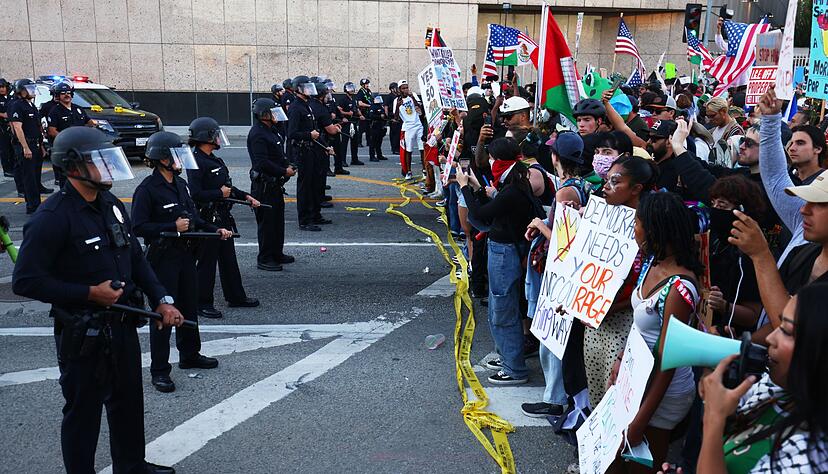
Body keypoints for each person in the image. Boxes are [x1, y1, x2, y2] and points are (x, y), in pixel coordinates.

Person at [12, 126, 181, 474]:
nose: (107, 168)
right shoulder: (52, 218)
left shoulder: (111, 204)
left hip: (121, 326)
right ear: (73, 167)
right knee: (83, 412)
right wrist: (89, 293)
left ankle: (131, 465)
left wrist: (162, 299)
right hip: (82, 334)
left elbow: (135, 257)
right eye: (98, 161)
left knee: (128, 401)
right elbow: (26, 281)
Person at [691, 283, 828, 473]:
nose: (771, 338)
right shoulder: (776, 388)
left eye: (787, 331)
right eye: (778, 325)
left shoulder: (810, 458)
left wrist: (713, 418)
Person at [132, 131, 229, 393]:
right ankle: (160, 370)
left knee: (189, 306)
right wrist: (170, 226)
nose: (180, 161)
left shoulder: (181, 184)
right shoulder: (147, 190)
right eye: (175, 156)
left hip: (186, 255)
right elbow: (138, 226)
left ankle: (189, 354)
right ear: (162, 159)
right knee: (164, 314)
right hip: (163, 259)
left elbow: (193, 217)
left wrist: (214, 229)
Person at [616, 191, 703, 471]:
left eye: (636, 224)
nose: (633, 230)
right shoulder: (653, 263)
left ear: (654, 230)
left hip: (662, 394)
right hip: (638, 382)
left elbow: (668, 362)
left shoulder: (679, 289)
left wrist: (639, 423)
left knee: (642, 465)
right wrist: (621, 363)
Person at [457, 138, 541, 385]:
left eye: (492, 158)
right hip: (506, 249)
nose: (489, 162)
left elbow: (480, 214)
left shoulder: (513, 190)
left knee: (502, 310)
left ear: (502, 161)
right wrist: (474, 186)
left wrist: (464, 188)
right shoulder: (513, 183)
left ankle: (514, 369)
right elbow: (493, 209)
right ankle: (507, 356)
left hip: (505, 253)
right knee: (501, 306)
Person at [580, 155, 656, 409]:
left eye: (616, 182)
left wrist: (607, 307)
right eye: (606, 180)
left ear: (636, 189)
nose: (606, 187)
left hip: (625, 325)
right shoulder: (600, 217)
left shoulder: (649, 228)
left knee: (616, 396)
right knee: (596, 389)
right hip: (594, 320)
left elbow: (644, 282)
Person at [187, 117, 260, 319]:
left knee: (228, 259)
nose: (219, 138)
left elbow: (226, 187)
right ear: (206, 137)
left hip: (222, 215)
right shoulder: (196, 162)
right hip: (207, 218)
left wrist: (245, 196)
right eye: (215, 135)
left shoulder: (214, 159)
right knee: (207, 263)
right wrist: (219, 194)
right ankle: (202, 303)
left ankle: (236, 296)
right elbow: (195, 193)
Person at [248, 98, 295, 271]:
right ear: (264, 115)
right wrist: (284, 171)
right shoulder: (257, 134)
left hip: (275, 185)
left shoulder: (272, 130)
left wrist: (287, 165)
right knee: (267, 224)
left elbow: (279, 155)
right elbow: (262, 163)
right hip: (264, 186)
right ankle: (265, 258)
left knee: (277, 221)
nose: (277, 116)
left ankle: (277, 253)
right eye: (273, 112)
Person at [288, 76, 326, 231]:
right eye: (306, 87)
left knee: (314, 183)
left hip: (312, 149)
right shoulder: (296, 108)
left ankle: (315, 215)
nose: (310, 90)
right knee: (305, 186)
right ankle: (304, 220)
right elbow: (292, 133)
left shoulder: (307, 105)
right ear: (298, 89)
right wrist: (308, 135)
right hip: (303, 150)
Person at [8, 78, 47, 214]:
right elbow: (18, 128)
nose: (32, 91)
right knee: (29, 177)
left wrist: (41, 146)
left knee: (36, 176)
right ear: (21, 91)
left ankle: (37, 203)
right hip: (26, 144)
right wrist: (25, 147)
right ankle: (32, 206)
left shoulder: (31, 105)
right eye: (29, 89)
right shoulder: (17, 105)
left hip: (36, 143)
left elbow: (37, 127)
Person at [393, 81, 423, 178]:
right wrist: (398, 105)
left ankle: (424, 170)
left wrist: (412, 97)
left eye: (407, 87)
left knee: (422, 148)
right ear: (399, 90)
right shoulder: (396, 100)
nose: (406, 90)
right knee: (408, 150)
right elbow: (396, 118)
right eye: (403, 88)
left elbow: (420, 109)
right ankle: (408, 171)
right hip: (408, 127)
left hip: (418, 125)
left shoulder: (412, 96)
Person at [0, 77, 23, 192]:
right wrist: (2, 114)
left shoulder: (10, 97)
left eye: (3, 87)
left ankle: (13, 167)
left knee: (12, 148)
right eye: (0, 87)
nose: (2, 89)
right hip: (2, 127)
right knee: (4, 149)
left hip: (12, 125)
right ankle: (7, 169)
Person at [337, 82, 363, 166]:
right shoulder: (343, 99)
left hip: (354, 122)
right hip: (346, 123)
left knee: (354, 141)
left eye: (352, 87)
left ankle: (354, 159)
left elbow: (356, 109)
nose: (352, 89)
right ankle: (342, 160)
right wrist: (347, 114)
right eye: (349, 88)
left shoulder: (353, 99)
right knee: (344, 142)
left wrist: (360, 115)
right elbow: (339, 110)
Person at [367, 95, 388, 163]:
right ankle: (372, 156)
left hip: (380, 125)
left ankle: (379, 155)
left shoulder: (380, 106)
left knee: (379, 141)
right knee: (373, 142)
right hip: (374, 126)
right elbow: (371, 116)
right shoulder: (372, 106)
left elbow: (384, 114)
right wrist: (379, 116)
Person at [355, 78, 373, 148]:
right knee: (361, 129)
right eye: (366, 84)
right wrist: (369, 105)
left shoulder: (368, 91)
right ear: (363, 85)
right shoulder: (361, 92)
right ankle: (359, 142)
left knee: (369, 128)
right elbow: (359, 103)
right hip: (363, 112)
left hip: (368, 112)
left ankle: (369, 142)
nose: (368, 85)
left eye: (368, 84)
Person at [385, 82, 401, 155]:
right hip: (392, 116)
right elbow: (386, 107)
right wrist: (388, 117)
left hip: (399, 116)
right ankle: (394, 148)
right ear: (392, 89)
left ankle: (398, 147)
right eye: (396, 88)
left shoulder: (398, 96)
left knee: (398, 133)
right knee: (394, 133)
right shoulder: (389, 96)